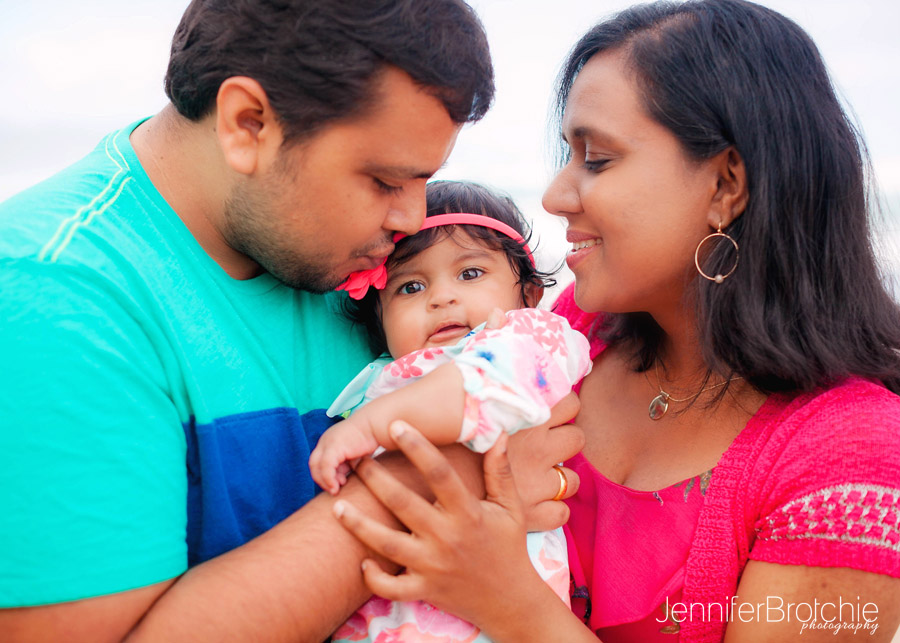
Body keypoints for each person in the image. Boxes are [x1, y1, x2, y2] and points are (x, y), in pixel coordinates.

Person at [0, 2, 586, 641]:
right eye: (384, 180)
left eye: (425, 179)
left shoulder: (350, 258)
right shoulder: (57, 299)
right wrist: (440, 477)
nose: (413, 220)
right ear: (247, 124)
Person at [331, 1, 900, 641]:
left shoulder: (854, 459)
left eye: (596, 159)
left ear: (725, 186)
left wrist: (508, 602)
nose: (555, 196)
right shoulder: (575, 332)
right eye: (568, 155)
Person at [307, 181, 590, 641]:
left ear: (530, 293)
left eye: (470, 273)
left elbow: (485, 386)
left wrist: (372, 425)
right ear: (379, 315)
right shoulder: (377, 378)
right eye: (411, 286)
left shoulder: (530, 337)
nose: (441, 297)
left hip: (493, 616)